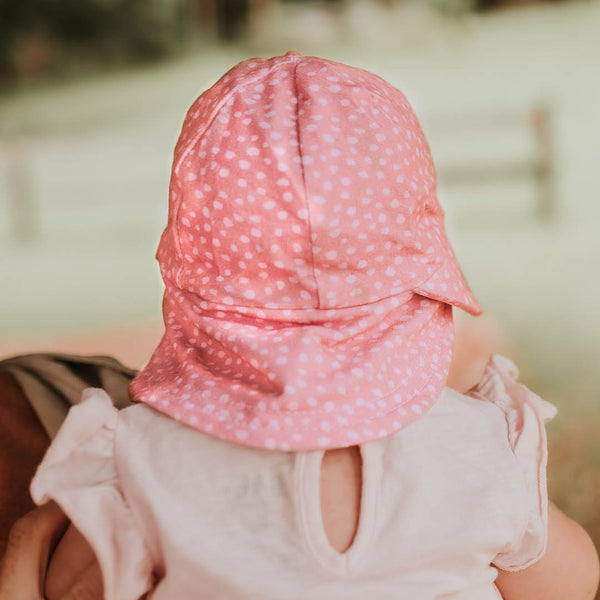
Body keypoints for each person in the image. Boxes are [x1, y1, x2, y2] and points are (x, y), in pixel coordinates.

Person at [3, 52, 599, 599]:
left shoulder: (142, 470)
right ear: (420, 266)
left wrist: (29, 539)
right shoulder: (479, 451)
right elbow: (572, 584)